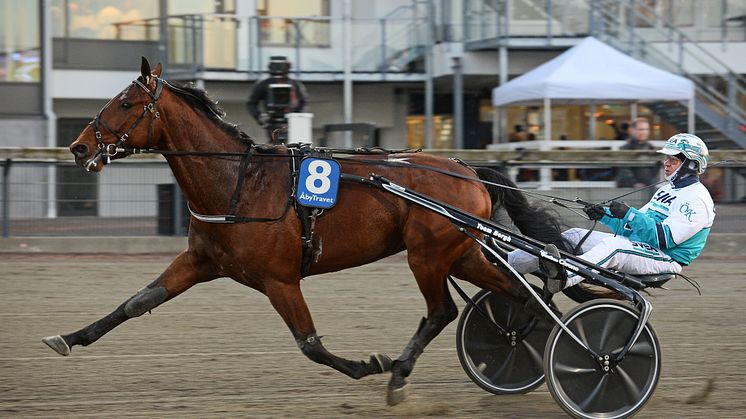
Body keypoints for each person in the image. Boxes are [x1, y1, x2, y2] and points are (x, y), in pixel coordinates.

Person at [506, 133, 715, 293]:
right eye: (667, 159)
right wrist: (605, 215)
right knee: (574, 235)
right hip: (643, 247)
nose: (666, 163)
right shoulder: (667, 190)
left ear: (691, 164)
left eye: (674, 160)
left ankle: (566, 276)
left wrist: (629, 214)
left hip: (664, 259)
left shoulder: (697, 199)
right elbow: (630, 228)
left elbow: (664, 238)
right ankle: (508, 263)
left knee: (613, 246)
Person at [246, 56, 308, 144]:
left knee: (295, 146)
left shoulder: (295, 85)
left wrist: (296, 117)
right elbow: (251, 103)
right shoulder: (264, 84)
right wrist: (260, 116)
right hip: (271, 122)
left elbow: (303, 102)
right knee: (275, 145)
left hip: (291, 122)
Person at [616, 117, 659, 188]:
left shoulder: (652, 148)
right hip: (628, 191)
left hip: (649, 189)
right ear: (631, 130)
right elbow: (623, 171)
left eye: (646, 129)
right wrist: (634, 184)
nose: (644, 132)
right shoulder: (624, 149)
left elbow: (655, 172)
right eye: (641, 129)